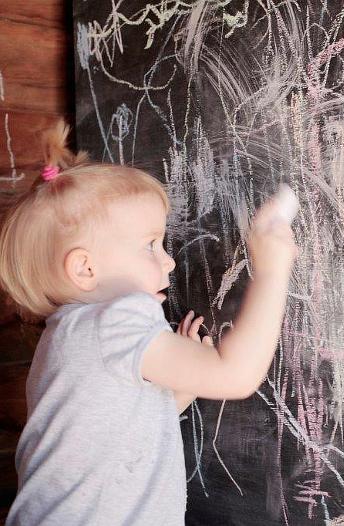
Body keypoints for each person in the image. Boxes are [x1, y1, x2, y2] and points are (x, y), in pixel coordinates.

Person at [0, 120, 297, 525]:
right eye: (150, 245)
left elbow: (126, 425)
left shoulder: (67, 337)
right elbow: (237, 376)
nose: (169, 261)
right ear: (85, 269)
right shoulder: (113, 320)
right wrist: (271, 272)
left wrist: (186, 377)